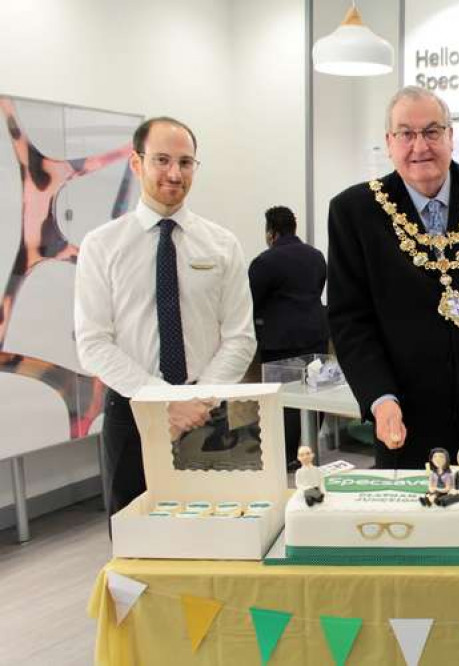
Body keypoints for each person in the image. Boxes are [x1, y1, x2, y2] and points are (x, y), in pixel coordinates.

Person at [327, 86, 459, 489]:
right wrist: (380, 398)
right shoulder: (354, 212)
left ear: (450, 136)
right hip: (408, 415)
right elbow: (350, 320)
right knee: (420, 531)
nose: (419, 146)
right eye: (406, 134)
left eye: (431, 132)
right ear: (389, 143)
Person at [75, 117, 255, 519]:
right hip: (135, 409)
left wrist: (195, 400)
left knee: (219, 526)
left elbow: (240, 337)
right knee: (134, 532)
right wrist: (163, 402)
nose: (174, 173)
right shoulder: (102, 245)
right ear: (136, 163)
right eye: (161, 160)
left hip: (209, 409)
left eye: (186, 162)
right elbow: (93, 342)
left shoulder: (222, 244)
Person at [248, 205, 329, 462]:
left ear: (271, 233)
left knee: (283, 400)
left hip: (280, 342)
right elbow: (317, 288)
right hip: (316, 335)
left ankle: (285, 455)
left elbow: (251, 301)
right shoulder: (316, 256)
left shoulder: (264, 262)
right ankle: (309, 449)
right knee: (316, 394)